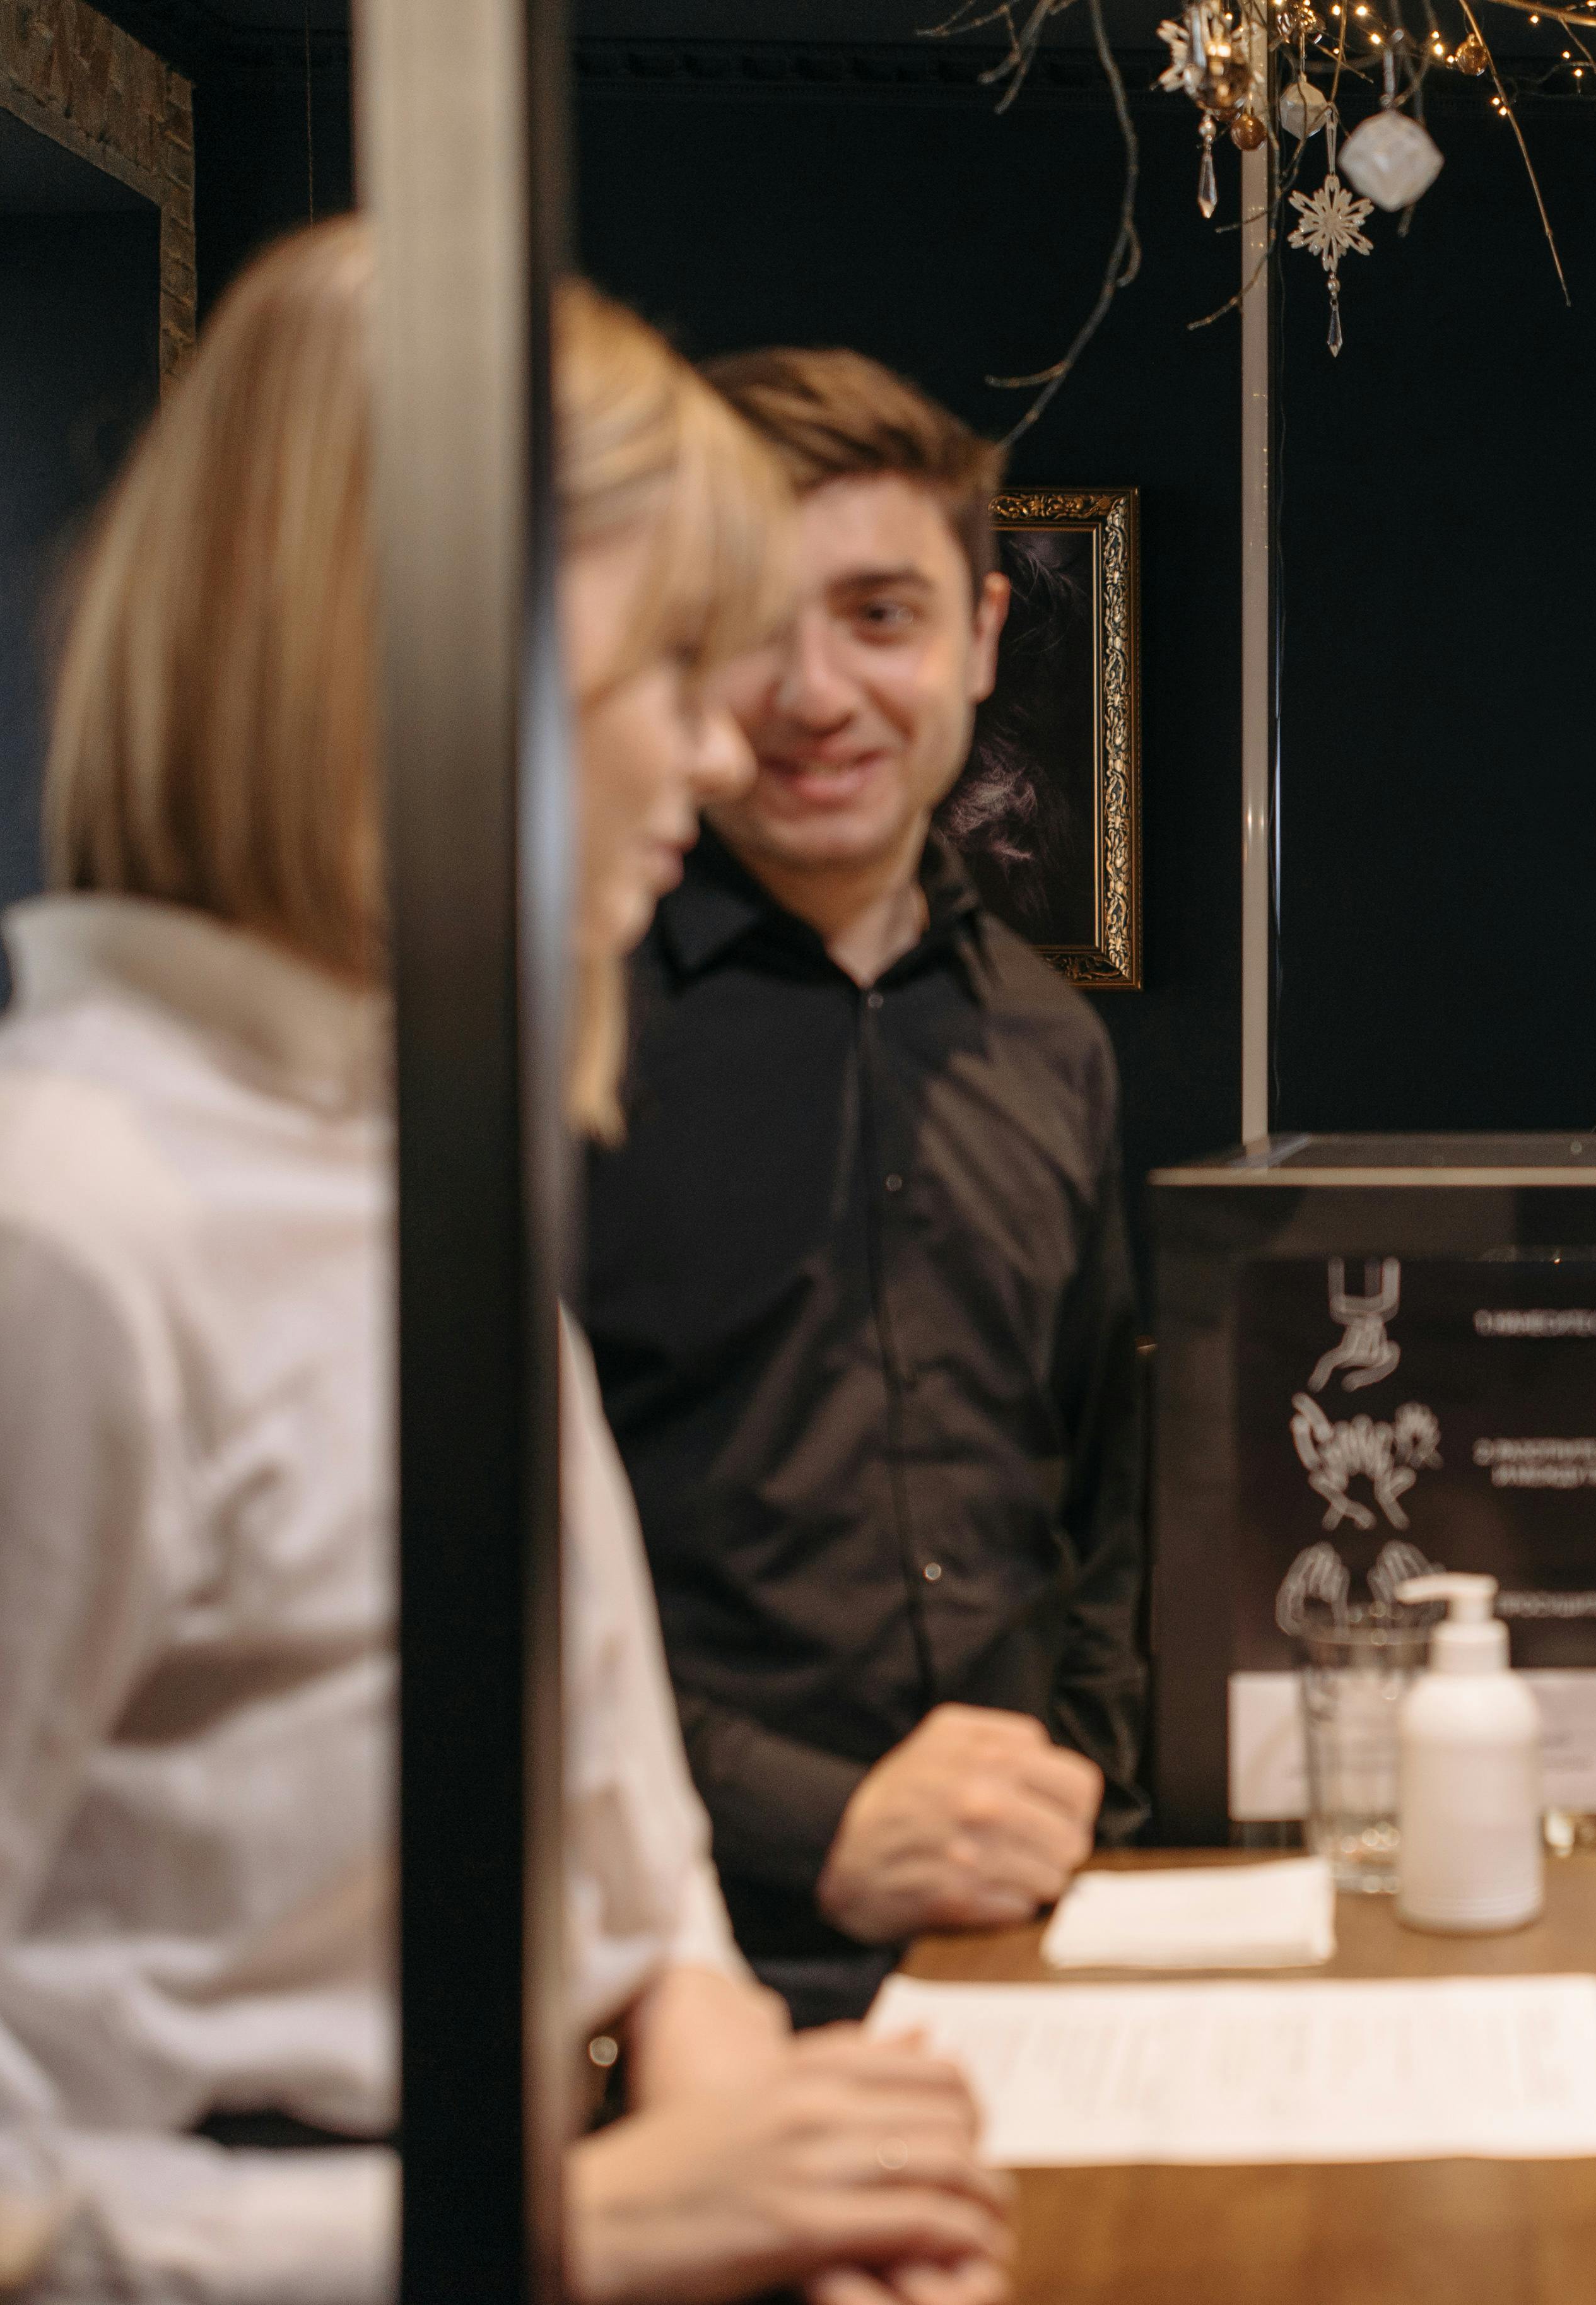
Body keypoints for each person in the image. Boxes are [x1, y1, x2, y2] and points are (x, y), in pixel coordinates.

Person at [0, 220, 1009, 2305]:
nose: (720, 751)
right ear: (391, 649)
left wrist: (714, 2049)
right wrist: (594, 2227)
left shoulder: (429, 1171)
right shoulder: (46, 1228)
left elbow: (602, 1776)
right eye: (665, 673)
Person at [579, 348, 1143, 2027]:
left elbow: (1104, 1494)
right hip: (666, 1973)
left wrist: (1083, 1780)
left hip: (1032, 1938)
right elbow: (459, 1580)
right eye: (750, 622)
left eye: (879, 617)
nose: (816, 693)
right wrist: (812, 1823)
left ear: (977, 634)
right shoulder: (550, 1034)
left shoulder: (1048, 1043)